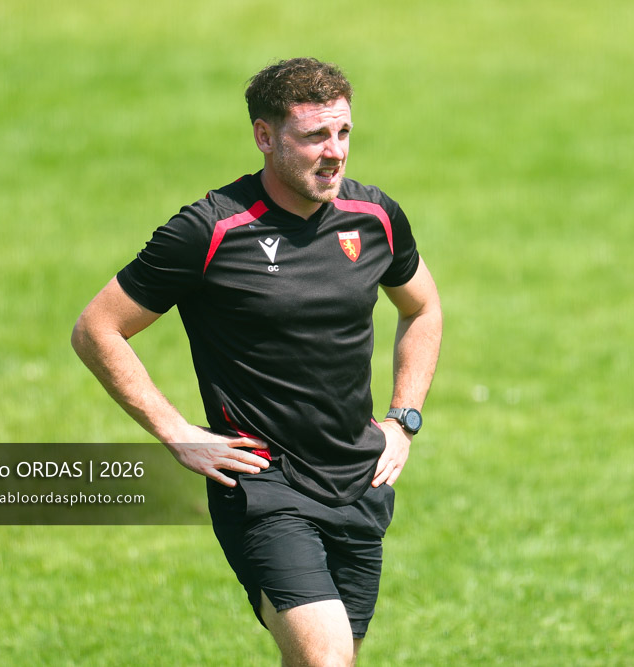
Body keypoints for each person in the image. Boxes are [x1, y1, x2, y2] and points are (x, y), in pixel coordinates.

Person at [71, 57, 442, 666]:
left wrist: (404, 418)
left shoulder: (375, 218)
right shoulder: (210, 230)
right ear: (265, 137)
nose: (335, 153)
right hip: (264, 485)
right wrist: (176, 433)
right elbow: (98, 328)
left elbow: (423, 309)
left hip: (359, 481)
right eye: (314, 136)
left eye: (343, 132)